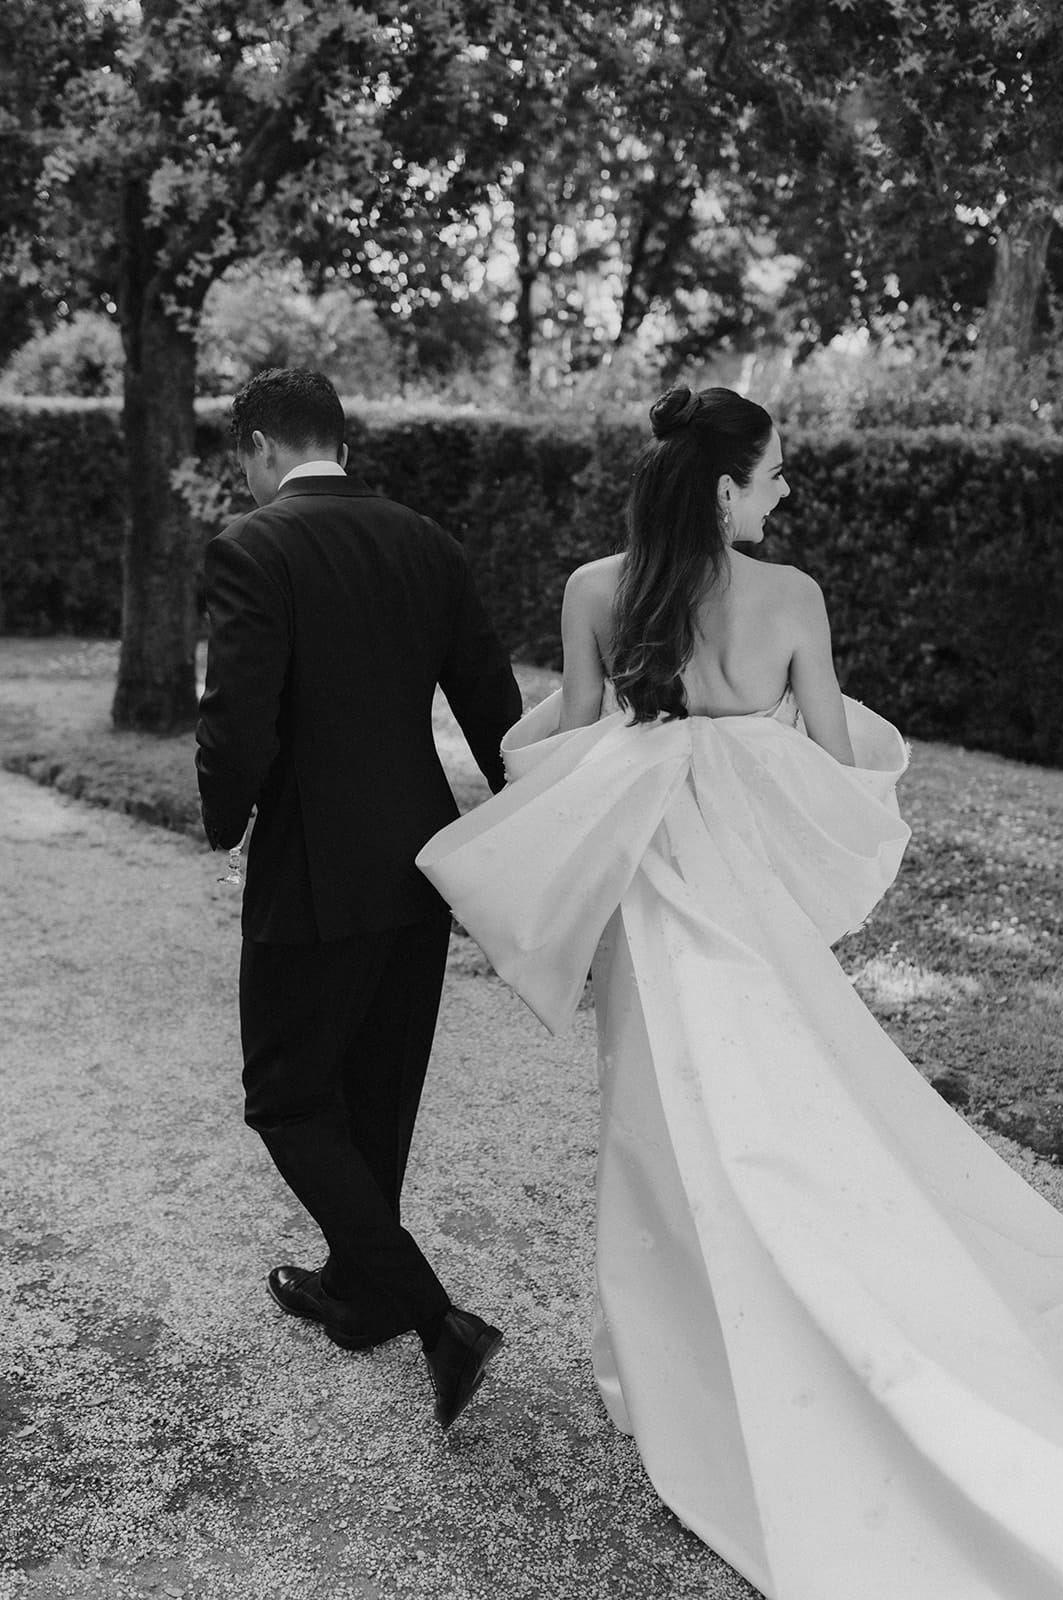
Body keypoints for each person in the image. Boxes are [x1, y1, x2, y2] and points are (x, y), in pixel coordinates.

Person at [417, 387, 1063, 1593]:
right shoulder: (792, 598)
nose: (785, 490)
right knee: (783, 1103)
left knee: (655, 1125)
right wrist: (760, 747)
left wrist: (640, 753)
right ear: (724, 489)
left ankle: (683, 1358)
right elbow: (833, 766)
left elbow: (569, 750)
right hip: (746, 902)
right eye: (773, 473)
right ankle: (815, 1308)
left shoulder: (593, 590)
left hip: (649, 892)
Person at [195, 367, 521, 1430]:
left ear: (258, 446)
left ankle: (433, 1317)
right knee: (378, 1092)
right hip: (420, 859)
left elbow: (237, 717)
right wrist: (528, 827)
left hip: (311, 863)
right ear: (340, 439)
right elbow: (492, 704)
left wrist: (224, 819)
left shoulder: (254, 546)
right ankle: (358, 1291)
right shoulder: (427, 543)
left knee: (287, 1097)